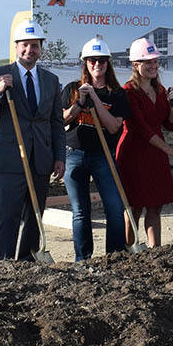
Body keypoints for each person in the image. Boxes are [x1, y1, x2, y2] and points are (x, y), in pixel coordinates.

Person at [0, 19, 65, 261]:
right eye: (25, 45)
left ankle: (28, 260)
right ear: (16, 46)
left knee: (35, 214)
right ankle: (2, 263)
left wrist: (59, 157)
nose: (29, 50)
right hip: (11, 159)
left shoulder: (50, 80)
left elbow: (56, 122)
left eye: (34, 46)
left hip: (41, 160)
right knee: (6, 215)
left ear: (41, 48)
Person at [61, 36, 130, 260]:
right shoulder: (72, 89)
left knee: (114, 208)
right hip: (75, 154)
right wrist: (80, 101)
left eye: (101, 60)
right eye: (92, 60)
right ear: (85, 63)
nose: (96, 65)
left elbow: (112, 127)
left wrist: (95, 100)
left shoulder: (117, 95)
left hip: (104, 156)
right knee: (80, 212)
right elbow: (61, 120)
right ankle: (82, 259)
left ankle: (115, 257)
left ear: (108, 63)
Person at [116, 37, 173, 248]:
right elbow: (140, 128)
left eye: (155, 62)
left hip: (156, 154)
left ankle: (155, 251)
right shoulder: (128, 92)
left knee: (156, 206)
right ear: (136, 65)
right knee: (134, 206)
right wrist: (171, 150)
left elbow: (170, 124)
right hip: (134, 152)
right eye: (148, 62)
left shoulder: (161, 91)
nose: (153, 66)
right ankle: (129, 249)